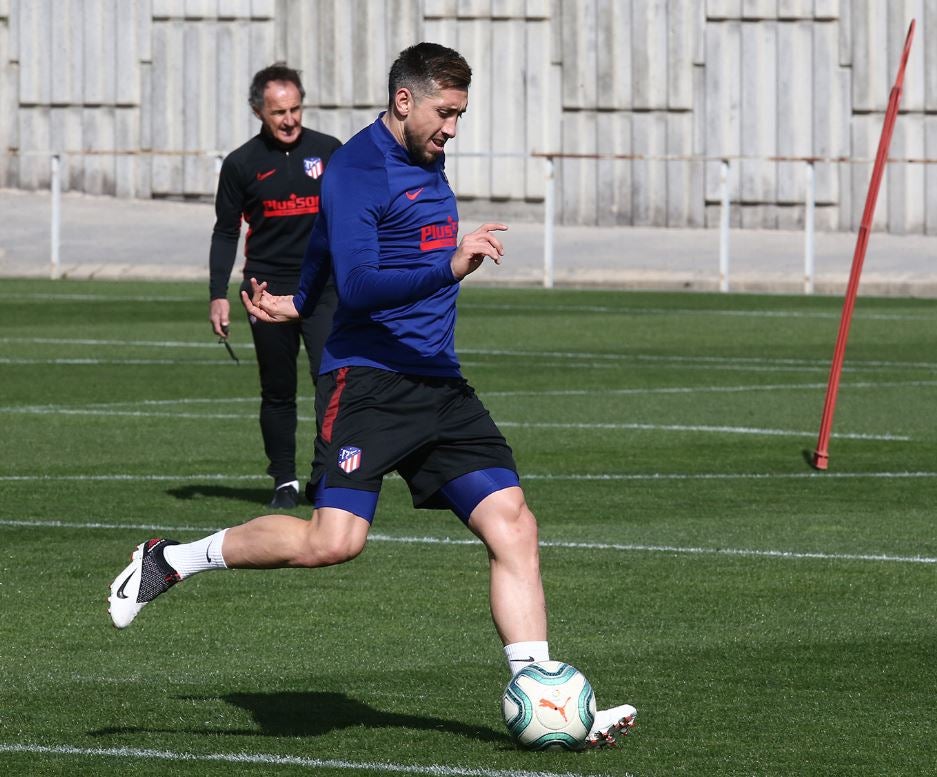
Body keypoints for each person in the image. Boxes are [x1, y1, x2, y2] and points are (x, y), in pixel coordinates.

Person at [109, 42, 636, 749]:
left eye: (459, 116)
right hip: (369, 381)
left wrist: (299, 296)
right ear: (404, 101)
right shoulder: (358, 169)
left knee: (513, 522)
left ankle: (546, 699)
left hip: (437, 379)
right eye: (445, 114)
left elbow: (327, 244)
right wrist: (448, 265)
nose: (452, 129)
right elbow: (357, 284)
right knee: (333, 542)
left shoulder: (421, 156)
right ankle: (171, 559)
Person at [209, 62, 342, 508]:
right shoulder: (241, 164)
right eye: (278, 112)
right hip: (265, 290)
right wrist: (217, 295)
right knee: (278, 389)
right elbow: (226, 231)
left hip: (322, 289)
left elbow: (353, 216)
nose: (289, 120)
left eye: (296, 109)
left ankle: (324, 477)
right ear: (257, 112)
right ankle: (283, 479)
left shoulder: (329, 152)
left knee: (331, 381)